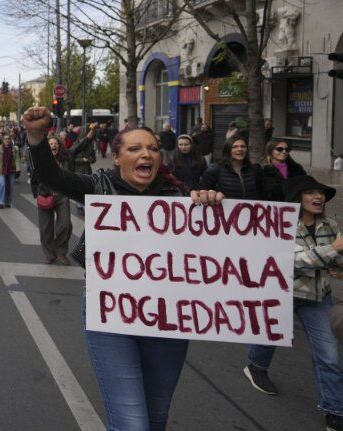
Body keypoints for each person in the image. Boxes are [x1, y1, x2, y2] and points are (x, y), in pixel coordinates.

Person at [22, 106, 221, 430]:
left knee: (156, 418)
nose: (147, 154)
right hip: (111, 313)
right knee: (132, 423)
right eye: (135, 148)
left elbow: (213, 254)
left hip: (167, 316)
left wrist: (210, 205)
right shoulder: (99, 187)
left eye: (153, 148)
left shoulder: (179, 196)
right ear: (116, 158)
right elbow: (50, 176)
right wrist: (36, 137)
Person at [243, 175, 343, 431]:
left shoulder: (330, 224)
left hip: (318, 298)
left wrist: (335, 258)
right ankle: (256, 366)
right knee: (272, 335)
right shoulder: (281, 226)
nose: (318, 197)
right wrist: (332, 250)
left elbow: (332, 263)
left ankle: (334, 410)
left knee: (329, 355)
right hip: (284, 293)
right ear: (297, 197)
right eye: (310, 192)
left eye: (320, 193)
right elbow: (292, 262)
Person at [31, 136, 72, 265]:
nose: (54, 145)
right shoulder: (40, 161)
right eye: (51, 144)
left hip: (62, 196)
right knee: (45, 227)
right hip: (45, 196)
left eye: (56, 143)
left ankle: (60, 251)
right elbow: (34, 179)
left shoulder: (65, 160)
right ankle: (49, 254)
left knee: (65, 224)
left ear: (58, 146)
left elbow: (72, 176)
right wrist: (37, 194)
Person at [0, 134, 20, 209]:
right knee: (2, 185)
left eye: (8, 139)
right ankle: (1, 202)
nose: (7, 140)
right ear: (3, 140)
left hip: (12, 170)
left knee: (10, 186)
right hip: (1, 170)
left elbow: (17, 159)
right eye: (5, 139)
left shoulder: (14, 149)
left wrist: (18, 168)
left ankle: (8, 202)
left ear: (10, 140)